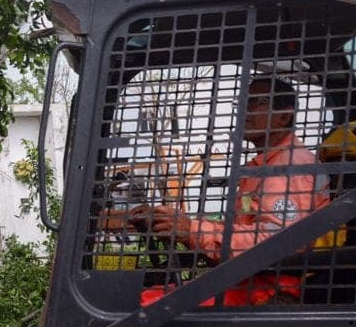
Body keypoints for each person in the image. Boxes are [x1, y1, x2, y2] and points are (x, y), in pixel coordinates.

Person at [132, 76, 330, 304]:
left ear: (284, 116)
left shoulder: (290, 166)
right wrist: (179, 227)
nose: (244, 111)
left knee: (145, 303)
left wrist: (192, 230)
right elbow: (245, 231)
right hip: (248, 278)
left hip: (272, 287)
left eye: (256, 103)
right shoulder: (264, 166)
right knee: (151, 294)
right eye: (243, 103)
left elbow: (277, 242)